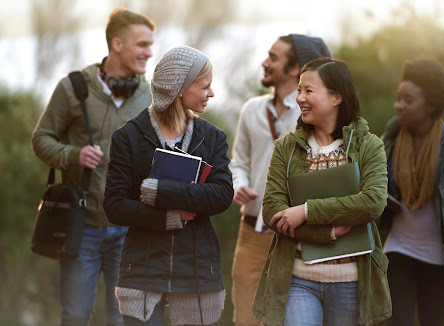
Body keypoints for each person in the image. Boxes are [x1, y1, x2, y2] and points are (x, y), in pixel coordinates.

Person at [31, 8, 154, 326]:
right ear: (117, 44)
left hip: (130, 228)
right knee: (75, 316)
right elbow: (41, 139)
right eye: (141, 44)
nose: (149, 52)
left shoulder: (151, 95)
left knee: (123, 318)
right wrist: (73, 154)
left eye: (150, 44)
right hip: (81, 226)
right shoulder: (73, 88)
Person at [252, 57, 392, 326]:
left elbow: (373, 202)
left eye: (308, 91)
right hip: (297, 280)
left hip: (352, 283)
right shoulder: (286, 147)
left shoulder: (369, 146)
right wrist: (327, 231)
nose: (300, 98)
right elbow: (272, 210)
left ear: (336, 98)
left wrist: (306, 211)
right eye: (299, 90)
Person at [103, 45, 233, 326]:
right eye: (205, 86)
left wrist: (160, 191)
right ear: (180, 88)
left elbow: (222, 195)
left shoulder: (212, 138)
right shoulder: (127, 137)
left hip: (197, 271)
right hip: (142, 271)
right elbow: (114, 206)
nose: (212, 93)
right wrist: (169, 217)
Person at [230, 34, 331, 326]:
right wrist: (239, 183)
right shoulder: (251, 109)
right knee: (246, 320)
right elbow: (238, 161)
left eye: (273, 58)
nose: (264, 62)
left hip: (297, 237)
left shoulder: (314, 115)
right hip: (251, 233)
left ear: (295, 68)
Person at [380, 56, 444, 326]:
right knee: (397, 320)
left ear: (431, 105)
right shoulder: (389, 141)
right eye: (398, 98)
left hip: (440, 259)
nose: (398, 106)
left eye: (408, 100)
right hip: (398, 248)